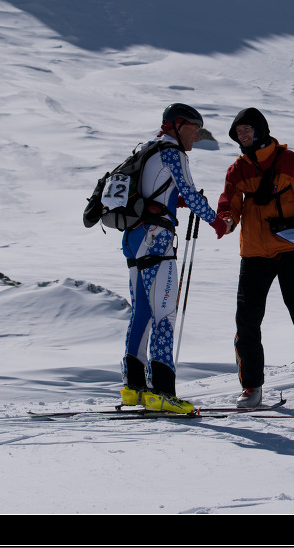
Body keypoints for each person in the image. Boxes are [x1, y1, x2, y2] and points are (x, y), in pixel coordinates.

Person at [215, 107, 294, 408]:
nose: (242, 136)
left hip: (290, 252)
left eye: (247, 130)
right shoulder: (237, 169)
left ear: (260, 129)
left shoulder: (289, 160)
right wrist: (226, 221)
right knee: (247, 322)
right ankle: (251, 388)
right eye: (238, 133)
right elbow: (228, 206)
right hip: (254, 254)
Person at [119, 103, 228, 413]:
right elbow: (193, 195)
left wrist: (171, 200)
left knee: (141, 312)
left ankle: (134, 388)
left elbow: (155, 190)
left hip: (133, 238)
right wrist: (218, 222)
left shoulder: (147, 149)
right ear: (178, 125)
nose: (197, 136)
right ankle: (163, 392)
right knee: (164, 313)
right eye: (194, 129)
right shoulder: (172, 151)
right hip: (157, 241)